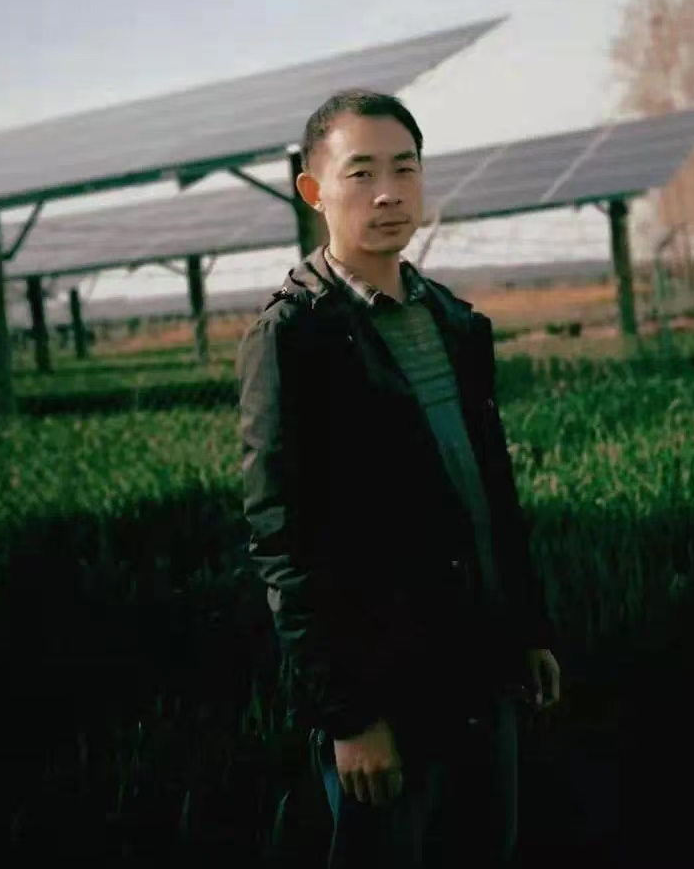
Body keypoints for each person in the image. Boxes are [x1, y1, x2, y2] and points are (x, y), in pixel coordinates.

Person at [237, 88, 561, 867]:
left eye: (404, 169)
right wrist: (349, 716)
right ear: (313, 191)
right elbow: (284, 543)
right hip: (387, 682)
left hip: (481, 662)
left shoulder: (452, 320)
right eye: (361, 173)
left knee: (486, 846)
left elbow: (490, 490)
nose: (387, 192)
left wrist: (526, 629)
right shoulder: (294, 336)